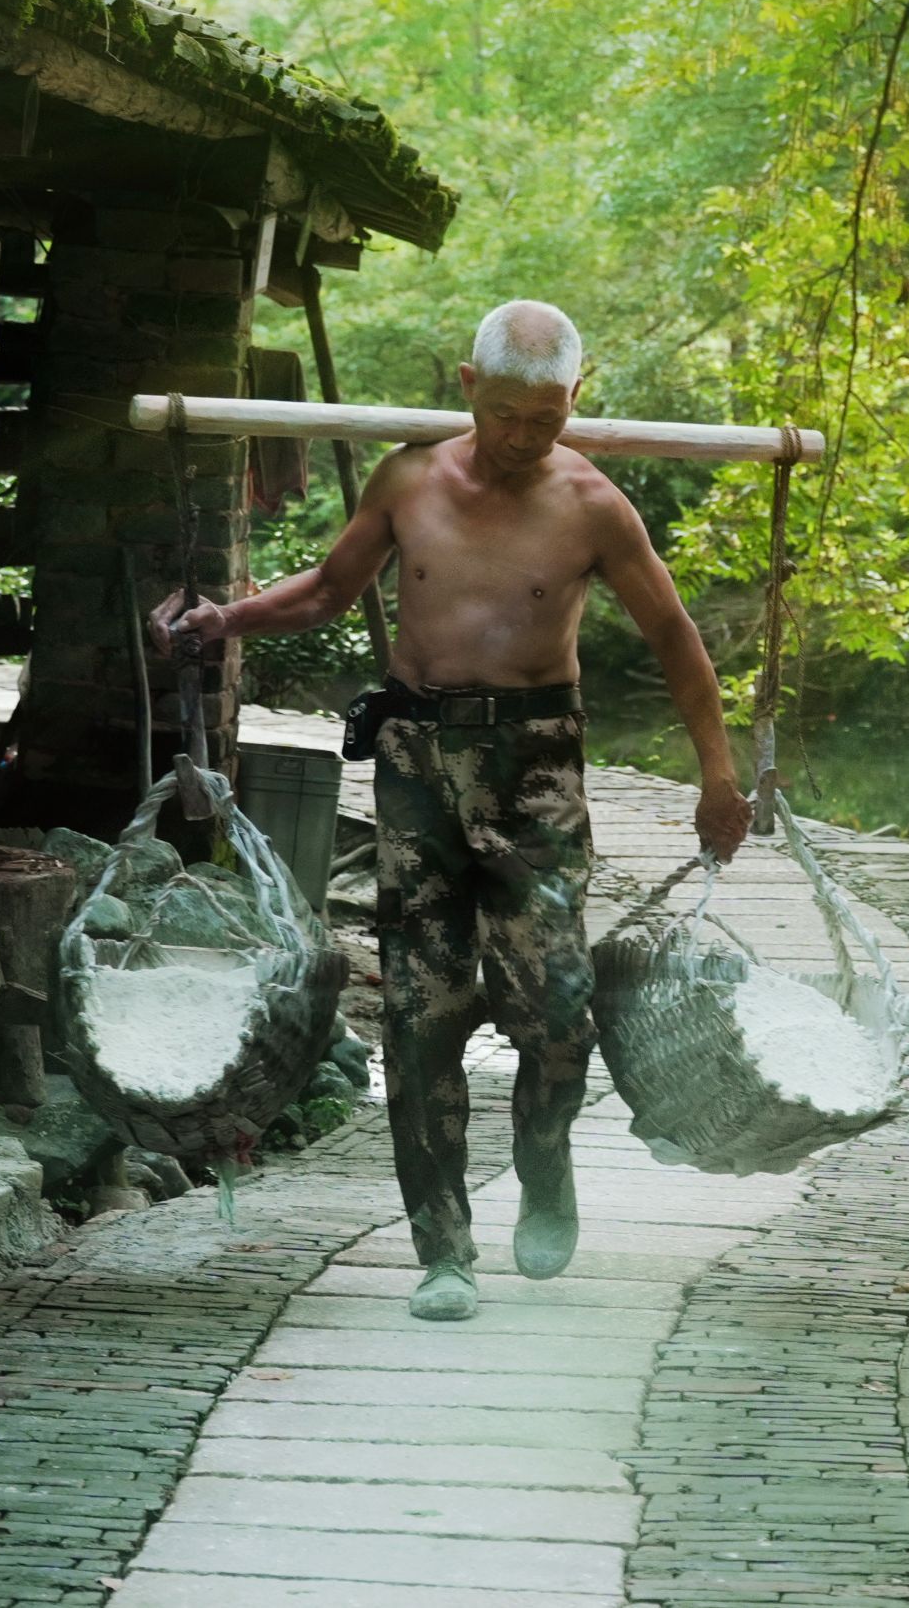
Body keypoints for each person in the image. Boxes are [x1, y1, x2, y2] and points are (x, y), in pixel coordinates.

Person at [153, 300, 750, 1321]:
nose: (526, 435)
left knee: (556, 1008)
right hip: (415, 762)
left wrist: (717, 775)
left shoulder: (594, 505)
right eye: (510, 412)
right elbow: (329, 591)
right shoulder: (408, 478)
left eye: (549, 415)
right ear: (469, 388)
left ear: (576, 395)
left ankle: (543, 1161)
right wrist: (228, 618)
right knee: (421, 1014)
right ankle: (443, 1250)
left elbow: (675, 640)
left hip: (535, 767)